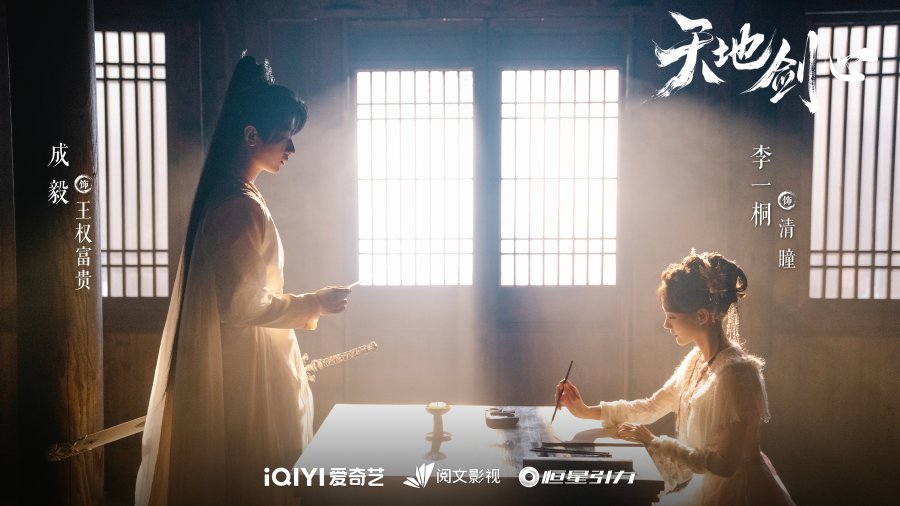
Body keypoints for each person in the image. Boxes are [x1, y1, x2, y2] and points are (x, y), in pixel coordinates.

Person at [135, 54, 352, 505]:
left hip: (248, 352)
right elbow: (242, 304)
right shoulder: (240, 206)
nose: (291, 150)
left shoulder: (236, 197)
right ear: (252, 135)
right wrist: (314, 303)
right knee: (254, 470)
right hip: (247, 362)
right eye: (285, 137)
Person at [557, 251, 795, 505]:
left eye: (672, 317)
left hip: (741, 494)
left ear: (702, 316)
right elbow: (651, 407)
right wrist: (586, 411)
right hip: (709, 486)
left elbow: (724, 465)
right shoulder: (696, 361)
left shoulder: (738, 373)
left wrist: (655, 442)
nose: (666, 325)